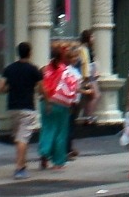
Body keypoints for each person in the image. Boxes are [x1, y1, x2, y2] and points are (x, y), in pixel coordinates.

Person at [0, 41, 42, 179]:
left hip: (13, 107)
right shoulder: (33, 69)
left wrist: (9, 88)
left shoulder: (9, 69)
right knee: (23, 138)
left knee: (19, 138)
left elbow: (0, 88)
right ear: (30, 53)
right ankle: (19, 167)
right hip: (27, 107)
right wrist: (47, 99)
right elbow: (41, 87)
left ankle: (22, 164)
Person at [38, 41, 79, 170]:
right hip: (62, 105)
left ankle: (44, 153)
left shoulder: (44, 70)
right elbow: (73, 89)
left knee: (47, 129)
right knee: (61, 133)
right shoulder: (67, 71)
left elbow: (39, 88)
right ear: (63, 57)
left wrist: (46, 99)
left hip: (46, 103)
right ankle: (58, 162)